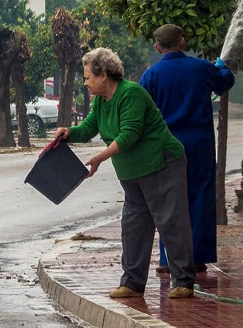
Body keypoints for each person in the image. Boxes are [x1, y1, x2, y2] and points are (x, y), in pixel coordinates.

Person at [55, 47, 196, 300]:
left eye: (88, 77)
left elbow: (129, 135)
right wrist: (69, 133)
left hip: (161, 163)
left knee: (170, 222)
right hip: (132, 173)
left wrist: (100, 158)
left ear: (104, 75)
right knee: (133, 226)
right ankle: (132, 282)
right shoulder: (100, 101)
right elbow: (88, 129)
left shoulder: (131, 94)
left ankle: (183, 281)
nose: (85, 82)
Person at [138, 24, 235, 275]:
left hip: (166, 143)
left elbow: (142, 111)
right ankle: (198, 258)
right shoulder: (201, 68)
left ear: (157, 46)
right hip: (199, 141)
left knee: (169, 200)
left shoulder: (151, 76)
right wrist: (221, 65)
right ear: (182, 41)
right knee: (200, 197)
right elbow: (225, 82)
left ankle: (169, 259)